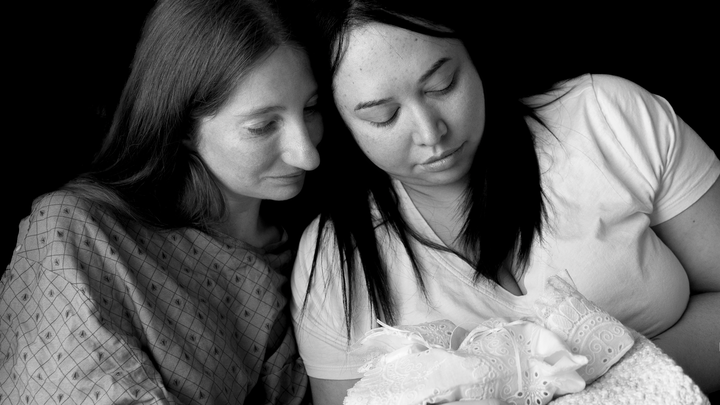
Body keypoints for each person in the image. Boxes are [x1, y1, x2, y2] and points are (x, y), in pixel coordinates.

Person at [289, 1, 720, 404]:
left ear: (472, 53)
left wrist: (607, 391)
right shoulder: (334, 264)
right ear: (339, 122)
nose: (430, 132)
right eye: (383, 116)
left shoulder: (607, 118)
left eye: (443, 85)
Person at [0, 0, 323, 403]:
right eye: (262, 126)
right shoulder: (78, 231)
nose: (308, 154)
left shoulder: (318, 249)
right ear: (182, 126)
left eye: (311, 109)